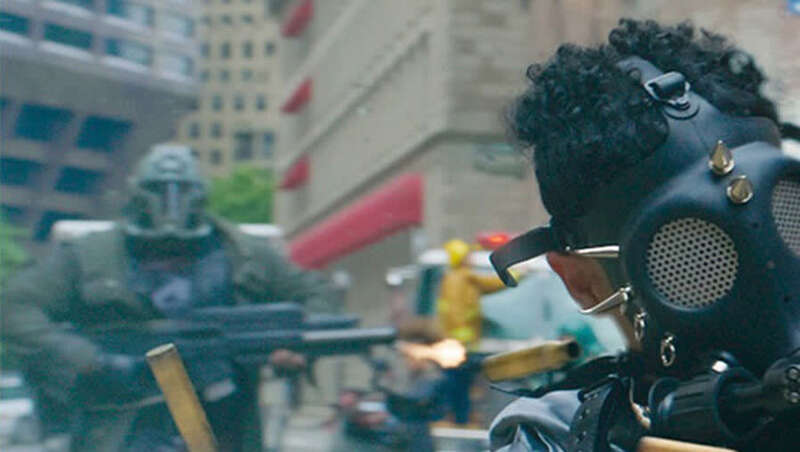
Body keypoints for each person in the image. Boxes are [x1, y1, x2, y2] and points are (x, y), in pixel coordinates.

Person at [487, 19, 800, 451]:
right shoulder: (562, 435)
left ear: (577, 280)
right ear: (582, 281)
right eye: (690, 257)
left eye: (791, 222)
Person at [1, 144, 334, 452]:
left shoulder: (243, 253)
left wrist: (297, 343)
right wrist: (87, 359)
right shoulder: (92, 255)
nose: (171, 202)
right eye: (158, 190)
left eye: (182, 190)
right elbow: (14, 305)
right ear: (138, 192)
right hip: (119, 426)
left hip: (221, 427)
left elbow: (317, 295)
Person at [436, 239, 507, 425]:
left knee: (457, 386)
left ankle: (459, 418)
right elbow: (493, 283)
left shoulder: (449, 278)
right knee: (461, 386)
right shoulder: (465, 277)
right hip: (462, 347)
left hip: (456, 346)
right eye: (468, 256)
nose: (471, 259)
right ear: (462, 258)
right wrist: (516, 274)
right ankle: (462, 420)